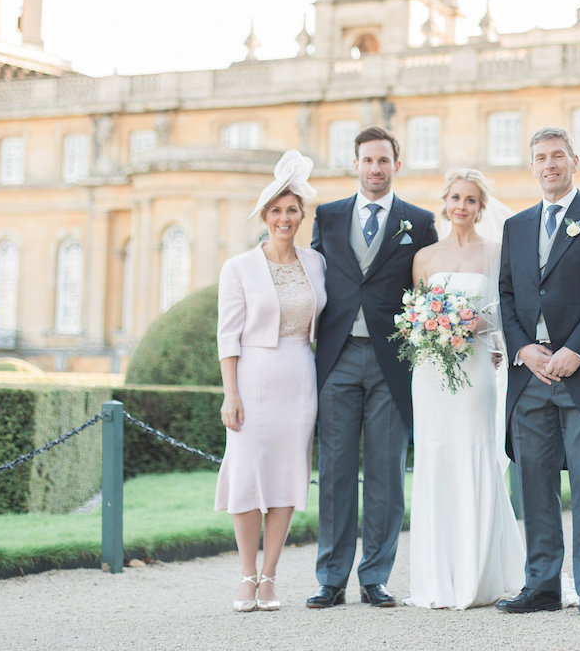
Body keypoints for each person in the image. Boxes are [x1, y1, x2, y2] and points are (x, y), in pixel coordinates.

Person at [496, 126, 580, 620]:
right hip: (530, 377)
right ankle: (542, 585)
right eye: (540, 157)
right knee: (533, 485)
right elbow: (506, 294)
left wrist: (577, 350)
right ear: (531, 166)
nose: (549, 164)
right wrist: (523, 349)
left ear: (575, 160)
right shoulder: (516, 226)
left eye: (557, 155)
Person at [308, 126, 437, 609]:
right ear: (356, 164)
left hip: (393, 363)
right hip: (337, 358)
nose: (376, 168)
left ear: (396, 165)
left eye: (384, 160)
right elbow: (313, 278)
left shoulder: (419, 223)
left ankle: (376, 576)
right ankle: (331, 576)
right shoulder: (328, 215)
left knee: (386, 473)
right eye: (368, 160)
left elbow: (431, 289)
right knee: (336, 471)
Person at [406, 168, 525, 610]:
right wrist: (426, 328)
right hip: (431, 373)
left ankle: (480, 574)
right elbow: (415, 314)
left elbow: (508, 311)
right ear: (445, 201)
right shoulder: (424, 258)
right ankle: (439, 578)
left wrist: (484, 326)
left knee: (475, 453)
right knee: (436, 458)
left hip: (475, 369)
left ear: (481, 207)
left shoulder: (496, 252)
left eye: (470, 200)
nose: (461, 206)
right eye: (455, 197)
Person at [215, 150, 327, 613]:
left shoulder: (316, 263)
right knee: (246, 474)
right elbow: (227, 333)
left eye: (292, 210)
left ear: (303, 216)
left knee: (285, 475)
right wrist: (231, 392)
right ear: (265, 216)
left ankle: (270, 577)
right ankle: (245, 575)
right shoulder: (239, 267)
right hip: (254, 375)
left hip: (300, 375)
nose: (285, 218)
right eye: (277, 210)